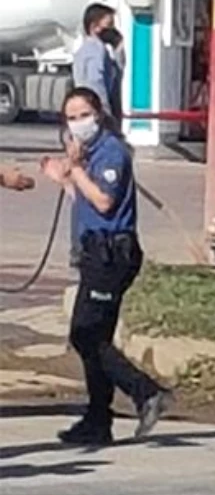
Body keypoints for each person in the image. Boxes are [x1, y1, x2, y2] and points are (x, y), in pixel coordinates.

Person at [39, 87, 172, 445]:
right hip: (94, 251)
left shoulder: (110, 152)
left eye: (83, 114)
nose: (77, 123)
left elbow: (104, 202)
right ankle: (99, 417)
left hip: (111, 255)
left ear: (98, 114)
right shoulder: (89, 153)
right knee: (95, 336)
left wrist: (76, 168)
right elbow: (82, 197)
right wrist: (65, 178)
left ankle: (145, 392)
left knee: (85, 334)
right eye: (71, 117)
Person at [72, 4, 123, 125]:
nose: (112, 30)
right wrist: (105, 112)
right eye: (109, 25)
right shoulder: (96, 50)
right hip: (96, 112)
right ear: (94, 27)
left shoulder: (83, 50)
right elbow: (96, 83)